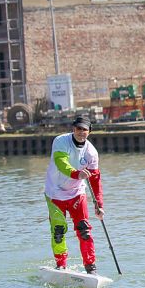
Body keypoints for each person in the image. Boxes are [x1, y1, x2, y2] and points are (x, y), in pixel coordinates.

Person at [44, 116, 104, 273]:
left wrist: (99, 204)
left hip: (77, 194)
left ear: (89, 132)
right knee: (58, 231)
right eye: (78, 129)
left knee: (84, 230)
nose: (81, 132)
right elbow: (60, 162)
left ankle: (90, 268)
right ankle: (61, 265)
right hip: (54, 193)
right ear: (73, 129)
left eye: (84, 129)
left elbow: (95, 179)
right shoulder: (61, 141)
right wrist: (76, 174)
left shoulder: (91, 153)